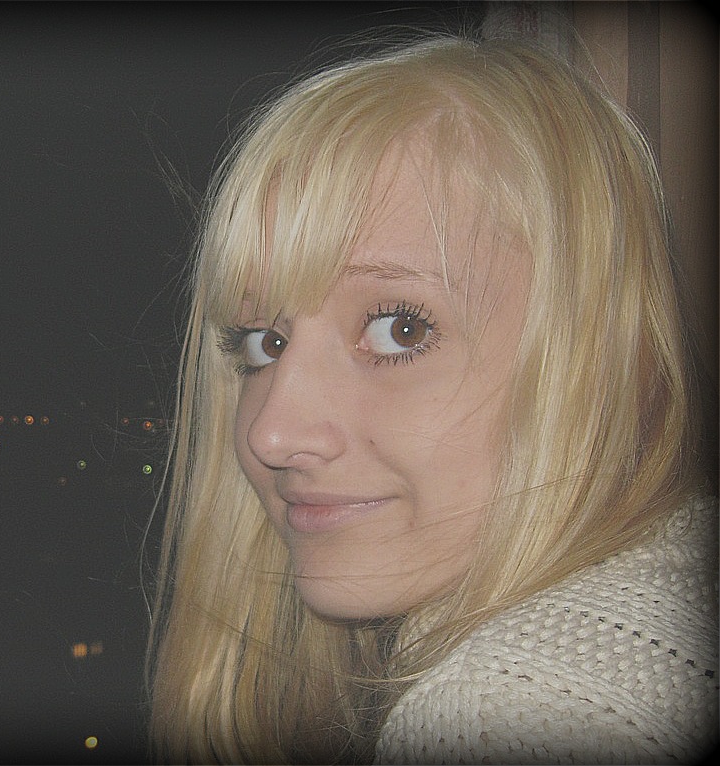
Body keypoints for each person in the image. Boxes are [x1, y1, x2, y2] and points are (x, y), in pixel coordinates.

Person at [145, 31, 717, 765]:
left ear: (594, 354)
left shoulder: (502, 712)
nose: (271, 434)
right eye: (262, 343)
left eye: (399, 328)